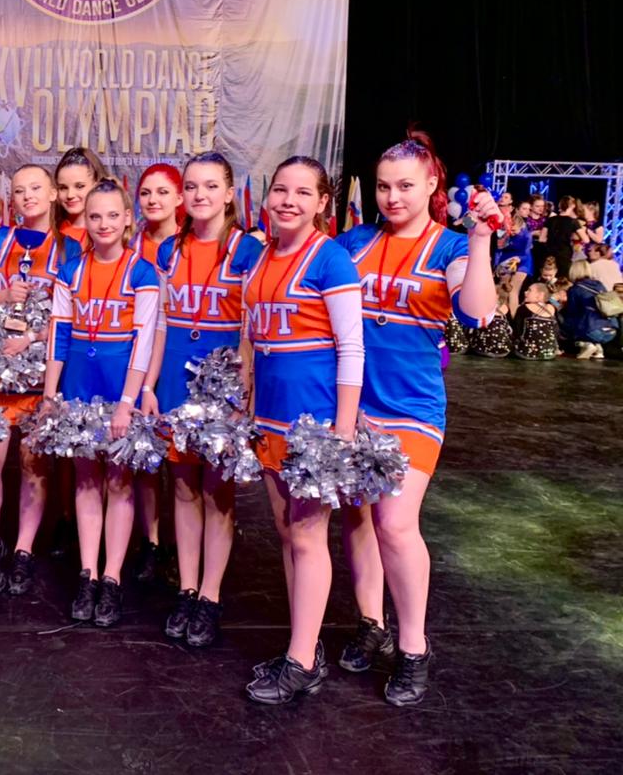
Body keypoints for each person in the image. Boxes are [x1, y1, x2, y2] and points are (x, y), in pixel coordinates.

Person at [334, 134, 498, 706]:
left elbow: (477, 313)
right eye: (383, 186)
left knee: (396, 525)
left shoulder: (450, 246)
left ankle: (413, 647)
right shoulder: (354, 241)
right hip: (353, 406)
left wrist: (481, 240)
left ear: (432, 185)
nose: (392, 197)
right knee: (358, 519)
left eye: (405, 185)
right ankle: (371, 624)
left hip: (411, 409)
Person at [241, 156, 363, 705]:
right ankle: (303, 648)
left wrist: (341, 431)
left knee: (309, 538)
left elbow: (351, 348)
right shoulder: (262, 255)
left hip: (314, 426)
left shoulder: (331, 259)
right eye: (280, 189)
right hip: (269, 420)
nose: (288, 200)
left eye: (302, 192)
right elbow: (253, 337)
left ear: (322, 203)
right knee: (289, 534)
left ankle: (301, 663)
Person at [140, 152, 263, 646]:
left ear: (229, 193)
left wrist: (244, 391)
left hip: (221, 388)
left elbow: (251, 330)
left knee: (217, 492)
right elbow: (161, 325)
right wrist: (149, 384)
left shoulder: (247, 249)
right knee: (183, 487)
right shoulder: (169, 249)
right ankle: (187, 589)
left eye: (211, 186)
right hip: (174, 380)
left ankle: (211, 595)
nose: (200, 195)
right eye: (191, 186)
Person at [44, 180, 159, 628]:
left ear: (128, 218)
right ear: (85, 221)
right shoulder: (70, 270)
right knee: (86, 479)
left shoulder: (142, 272)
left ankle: (112, 577)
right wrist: (51, 394)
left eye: (113, 215)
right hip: (78, 388)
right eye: (95, 216)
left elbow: (142, 343)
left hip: (118, 393)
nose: (104, 224)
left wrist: (127, 402)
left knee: (119, 482)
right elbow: (59, 336)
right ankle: (87, 573)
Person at [0, 164, 81, 594]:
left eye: (36, 188)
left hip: (42, 375)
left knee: (34, 466)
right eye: (19, 191)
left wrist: (34, 337)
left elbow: (73, 316)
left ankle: (23, 549)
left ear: (54, 194)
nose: (27, 197)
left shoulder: (70, 248)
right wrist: (3, 297)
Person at [127, 162, 183, 582]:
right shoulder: (130, 244)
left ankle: (182, 543)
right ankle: (151, 540)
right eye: (146, 193)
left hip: (176, 359)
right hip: (136, 358)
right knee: (144, 461)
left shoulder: (188, 244)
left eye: (162, 192)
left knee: (182, 463)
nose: (153, 200)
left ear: (179, 198)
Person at [53, 148, 109, 247]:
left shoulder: (111, 233)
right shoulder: (50, 234)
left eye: (79, 186)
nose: (70, 195)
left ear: (97, 186)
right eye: (63, 188)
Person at [564, 260, 617, 358]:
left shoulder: (575, 289)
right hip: (611, 331)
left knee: (568, 324)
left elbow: (572, 313)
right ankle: (599, 349)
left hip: (593, 331)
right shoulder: (599, 285)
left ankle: (586, 344)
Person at [495, 200, 533, 316]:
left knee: (513, 290)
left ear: (520, 227)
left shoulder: (526, 235)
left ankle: (514, 319)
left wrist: (519, 259)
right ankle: (502, 316)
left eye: (514, 230)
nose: (511, 232)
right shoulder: (502, 232)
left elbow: (526, 253)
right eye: (510, 229)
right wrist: (495, 266)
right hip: (506, 259)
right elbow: (498, 250)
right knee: (503, 289)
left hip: (523, 261)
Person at [512, 283, 559, 360]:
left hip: (526, 353)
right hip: (549, 353)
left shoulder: (523, 308)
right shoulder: (553, 308)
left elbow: (517, 330)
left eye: (529, 290)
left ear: (540, 295)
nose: (525, 292)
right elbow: (556, 331)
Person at [542, 196, 582, 277]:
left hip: (549, 252)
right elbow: (586, 239)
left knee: (549, 277)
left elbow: (541, 239)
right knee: (562, 278)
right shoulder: (573, 222)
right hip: (564, 254)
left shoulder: (550, 220)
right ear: (572, 206)